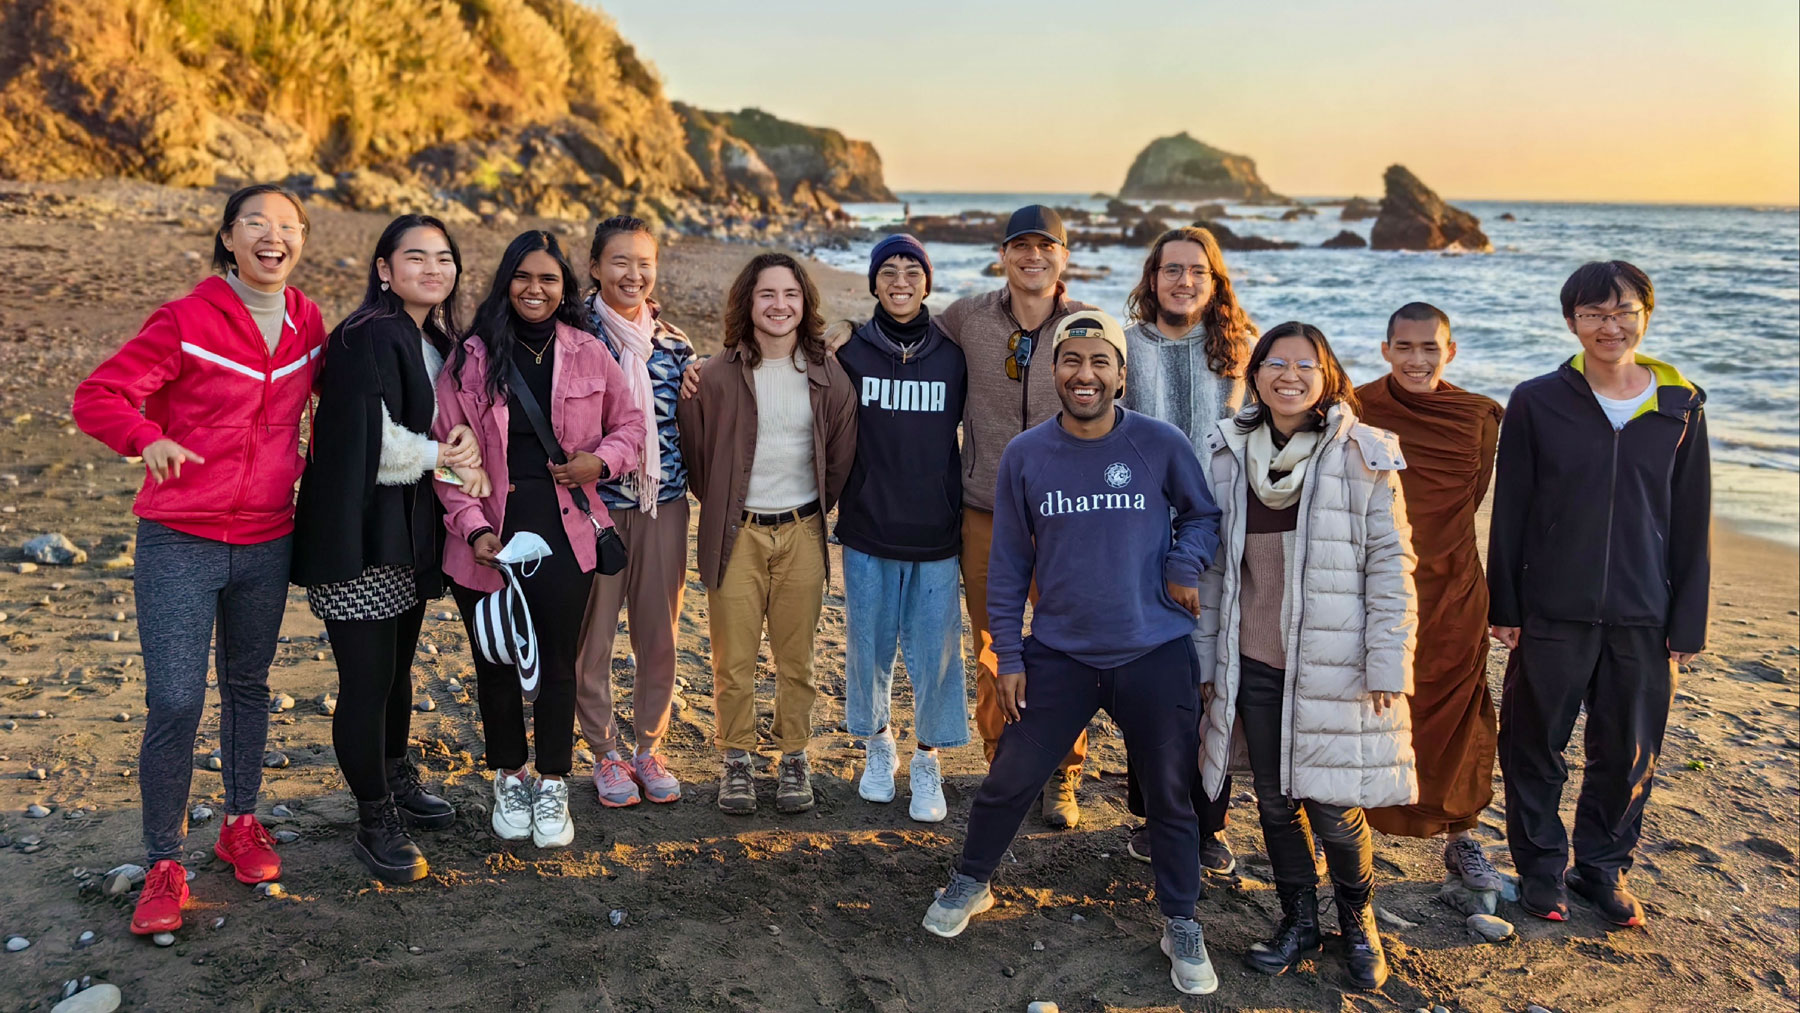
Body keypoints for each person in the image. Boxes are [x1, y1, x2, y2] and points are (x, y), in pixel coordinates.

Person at [920, 310, 1224, 997]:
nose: (1084, 374)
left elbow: (1203, 513)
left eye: (1099, 362)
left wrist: (1184, 562)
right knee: (1007, 778)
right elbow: (1006, 566)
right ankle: (972, 880)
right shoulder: (1026, 454)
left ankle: (1179, 918)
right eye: (1071, 360)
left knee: (1171, 795)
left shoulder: (1158, 442)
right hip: (1058, 652)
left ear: (1121, 373)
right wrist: (1011, 656)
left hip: (1155, 649)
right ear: (1052, 369)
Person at [72, 183, 326, 935]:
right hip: (181, 535)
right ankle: (163, 861)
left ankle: (241, 821)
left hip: (267, 537)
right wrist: (145, 437)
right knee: (176, 700)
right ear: (229, 236)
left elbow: (335, 403)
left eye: (288, 226)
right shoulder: (186, 319)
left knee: (248, 684)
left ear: (301, 242)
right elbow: (100, 393)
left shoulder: (309, 322)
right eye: (256, 223)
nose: (272, 236)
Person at [1194, 322, 1418, 990]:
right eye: (1275, 363)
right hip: (1253, 660)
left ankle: (1359, 920)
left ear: (1327, 377)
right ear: (1256, 373)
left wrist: (1388, 661)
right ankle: (1297, 920)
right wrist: (1208, 663)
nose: (1289, 375)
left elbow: (1391, 564)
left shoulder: (1363, 454)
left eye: (1305, 365)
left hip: (1333, 663)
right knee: (1272, 801)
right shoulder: (1227, 449)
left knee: (1334, 806)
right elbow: (1212, 572)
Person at [1488, 261, 1710, 928]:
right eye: (1594, 314)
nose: (1609, 326)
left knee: (1629, 750)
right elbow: (1512, 507)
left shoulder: (1681, 403)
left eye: (1623, 312)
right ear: (1572, 322)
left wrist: (1688, 620)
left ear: (1646, 314)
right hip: (1553, 607)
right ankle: (1540, 871)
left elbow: (1692, 515)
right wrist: (1505, 604)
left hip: (1646, 613)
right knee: (1532, 742)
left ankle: (1602, 869)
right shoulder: (1536, 399)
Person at [435, 231, 646, 848]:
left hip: (564, 532)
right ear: (506, 282)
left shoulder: (588, 352)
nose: (536, 289)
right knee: (495, 661)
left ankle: (553, 781)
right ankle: (510, 774)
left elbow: (631, 424)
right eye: (524, 277)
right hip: (488, 535)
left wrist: (598, 464)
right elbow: (449, 459)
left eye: (549, 279)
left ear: (565, 288)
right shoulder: (469, 359)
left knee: (558, 663)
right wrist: (472, 530)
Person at [291, 215, 481, 882]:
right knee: (367, 683)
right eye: (416, 257)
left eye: (444, 257)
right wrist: (459, 465)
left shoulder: (432, 336)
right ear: (383, 268)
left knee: (398, 673)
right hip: (358, 532)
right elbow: (381, 450)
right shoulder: (367, 335)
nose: (434, 268)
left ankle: (396, 776)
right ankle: (374, 819)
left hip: (404, 534)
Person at [677, 253, 856, 816]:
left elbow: (840, 457)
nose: (780, 306)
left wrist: (810, 512)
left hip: (803, 531)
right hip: (738, 535)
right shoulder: (714, 375)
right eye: (767, 295)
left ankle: (794, 757)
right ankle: (736, 759)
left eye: (790, 295)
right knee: (732, 659)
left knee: (796, 658)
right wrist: (735, 506)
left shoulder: (828, 374)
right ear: (747, 305)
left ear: (805, 304)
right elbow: (698, 456)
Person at [1355, 303, 1505, 891]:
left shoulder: (1477, 416)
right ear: (1386, 349)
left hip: (1454, 584)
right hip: (1377, 581)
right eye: (1405, 347)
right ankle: (1349, 828)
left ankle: (1461, 835)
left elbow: (1470, 499)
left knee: (1459, 708)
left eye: (1430, 348)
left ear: (1451, 351)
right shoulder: (1357, 408)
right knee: (1368, 703)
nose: (1417, 359)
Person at [1118, 225, 1253, 874]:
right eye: (1171, 269)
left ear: (1214, 280)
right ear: (1152, 279)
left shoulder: (1241, 352)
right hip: (1139, 535)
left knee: (1213, 681)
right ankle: (1150, 813)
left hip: (1222, 538)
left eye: (1197, 271)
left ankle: (1209, 822)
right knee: (1152, 678)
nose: (1183, 281)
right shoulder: (1125, 347)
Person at [836, 235, 969, 822]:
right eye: (887, 271)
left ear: (927, 282)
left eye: (911, 271)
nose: (900, 280)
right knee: (868, 648)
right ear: (873, 282)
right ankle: (878, 744)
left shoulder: (952, 355)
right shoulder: (851, 355)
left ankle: (928, 758)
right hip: (867, 528)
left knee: (936, 655)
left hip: (936, 532)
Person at [572, 216, 698, 808]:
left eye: (644, 262)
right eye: (620, 262)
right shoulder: (571, 337)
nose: (633, 274)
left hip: (663, 505)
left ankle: (649, 747)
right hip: (592, 510)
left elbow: (694, 427)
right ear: (595, 267)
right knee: (592, 638)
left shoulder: (675, 345)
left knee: (659, 633)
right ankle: (605, 753)